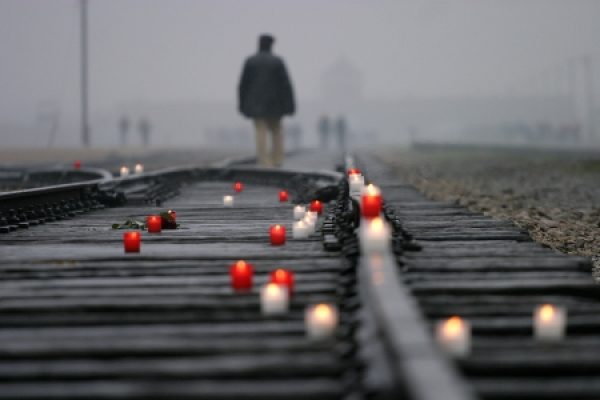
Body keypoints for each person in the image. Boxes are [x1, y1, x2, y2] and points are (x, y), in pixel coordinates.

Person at [238, 34, 295, 167]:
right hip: (275, 104)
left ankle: (264, 161)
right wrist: (290, 106)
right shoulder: (277, 62)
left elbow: (243, 85)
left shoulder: (250, 61)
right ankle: (277, 159)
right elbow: (285, 85)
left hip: (255, 104)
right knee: (277, 131)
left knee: (260, 132)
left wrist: (242, 104)